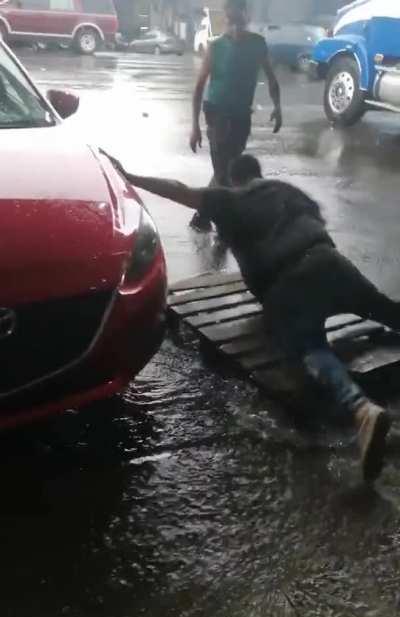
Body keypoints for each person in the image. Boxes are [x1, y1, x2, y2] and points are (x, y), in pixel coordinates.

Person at [102, 150, 395, 483]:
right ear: (259, 174)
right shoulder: (289, 191)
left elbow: (178, 189)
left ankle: (361, 409)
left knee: (310, 348)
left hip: (289, 284)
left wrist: (132, 177)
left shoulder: (230, 198)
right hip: (332, 262)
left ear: (234, 179)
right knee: (383, 307)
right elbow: (313, 224)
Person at [189, 0, 282, 232]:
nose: (235, 28)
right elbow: (200, 86)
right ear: (225, 20)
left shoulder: (258, 44)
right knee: (223, 172)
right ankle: (223, 224)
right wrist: (195, 126)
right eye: (231, 22)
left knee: (228, 167)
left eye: (238, 21)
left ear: (246, 17)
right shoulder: (216, 46)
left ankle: (202, 216)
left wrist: (278, 107)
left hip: (242, 115)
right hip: (217, 111)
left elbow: (271, 78)